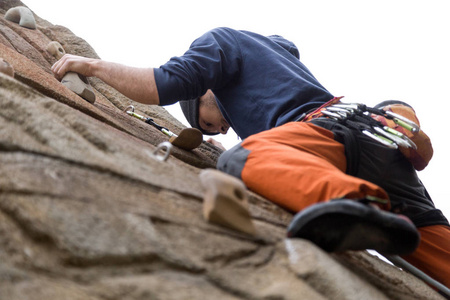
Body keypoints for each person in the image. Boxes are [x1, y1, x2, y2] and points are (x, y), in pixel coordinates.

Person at [52, 27, 449, 287]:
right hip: (378, 136)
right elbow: (285, 45)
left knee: (241, 159)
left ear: (204, 92)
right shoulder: (275, 61)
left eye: (207, 125)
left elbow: (163, 83)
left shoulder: (221, 44)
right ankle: (406, 126)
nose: (219, 130)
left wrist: (92, 66)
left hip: (327, 134)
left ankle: (351, 201)